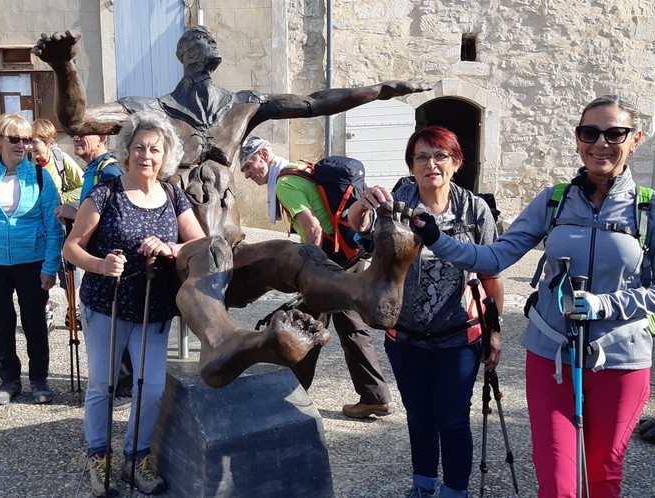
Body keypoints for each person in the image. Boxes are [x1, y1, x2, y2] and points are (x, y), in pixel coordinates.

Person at [34, 25, 431, 389]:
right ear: (182, 54)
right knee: (207, 252)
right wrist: (64, 66)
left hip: (232, 251)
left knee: (295, 254)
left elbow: (314, 102)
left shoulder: (242, 106)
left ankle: (363, 287)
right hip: (174, 261)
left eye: (211, 39)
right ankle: (223, 341)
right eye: (197, 38)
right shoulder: (149, 109)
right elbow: (77, 120)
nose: (208, 42)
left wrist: (378, 91)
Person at [409, 96, 655, 498]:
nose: (601, 143)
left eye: (615, 133)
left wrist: (605, 304)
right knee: (557, 482)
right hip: (552, 357)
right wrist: (437, 238)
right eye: (590, 132)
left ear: (635, 139)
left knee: (602, 476)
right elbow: (494, 257)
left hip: (621, 359)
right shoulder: (555, 201)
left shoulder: (654, 208)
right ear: (578, 139)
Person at [347, 126, 503, 498]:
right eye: (421, 157)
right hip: (404, 335)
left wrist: (494, 331)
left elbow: (491, 274)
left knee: (452, 420)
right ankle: (423, 486)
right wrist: (362, 204)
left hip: (459, 335)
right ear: (412, 165)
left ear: (456, 162)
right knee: (418, 418)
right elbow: (360, 233)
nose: (431, 164)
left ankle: (455, 491)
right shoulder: (397, 202)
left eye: (440, 156)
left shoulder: (474, 209)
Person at [62, 111, 205, 496]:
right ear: (127, 151)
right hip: (105, 305)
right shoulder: (105, 193)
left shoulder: (174, 194)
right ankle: (98, 456)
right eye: (139, 147)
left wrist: (170, 246)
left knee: (152, 388)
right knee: (103, 386)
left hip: (152, 310)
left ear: (166, 155)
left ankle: (137, 457)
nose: (146, 155)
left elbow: (198, 241)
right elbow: (71, 247)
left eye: (155, 149)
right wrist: (100, 263)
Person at [240, 136, 393, 419]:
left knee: (304, 325)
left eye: (249, 166)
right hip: (349, 256)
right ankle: (375, 395)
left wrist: (307, 271)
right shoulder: (297, 168)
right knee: (350, 325)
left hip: (328, 264)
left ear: (264, 154)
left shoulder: (284, 183)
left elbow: (313, 230)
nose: (248, 175)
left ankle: (291, 397)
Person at [0, 114, 63, 406]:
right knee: (2, 323)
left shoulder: (41, 177)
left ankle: (40, 379)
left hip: (31, 262)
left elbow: (53, 228)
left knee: (34, 323)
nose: (23, 145)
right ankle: (9, 380)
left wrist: (49, 266)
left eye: (27, 139)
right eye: (15, 139)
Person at [55, 133, 135, 400]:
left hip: (111, 262)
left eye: (83, 134)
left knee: (117, 322)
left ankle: (123, 390)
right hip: (96, 262)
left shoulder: (109, 170)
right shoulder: (92, 168)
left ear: (101, 137)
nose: (76, 138)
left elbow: (114, 215)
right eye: (75, 134)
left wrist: (75, 214)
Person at [30, 119, 84, 329]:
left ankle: (73, 309)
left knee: (68, 267)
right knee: (38, 266)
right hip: (35, 225)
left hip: (59, 224)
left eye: (37, 141)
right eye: (31, 141)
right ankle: (44, 307)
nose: (32, 146)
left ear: (50, 142)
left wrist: (59, 199)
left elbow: (82, 186)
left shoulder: (61, 160)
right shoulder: (26, 164)